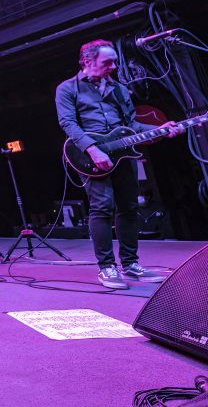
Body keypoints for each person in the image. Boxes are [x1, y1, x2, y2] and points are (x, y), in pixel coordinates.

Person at [55, 39, 182, 289]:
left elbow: (131, 125)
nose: (114, 66)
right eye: (107, 62)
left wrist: (161, 129)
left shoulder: (119, 89)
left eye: (114, 61)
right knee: (102, 207)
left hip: (123, 153)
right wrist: (92, 150)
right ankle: (107, 268)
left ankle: (131, 264)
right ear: (87, 61)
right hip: (90, 155)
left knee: (129, 207)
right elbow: (68, 123)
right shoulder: (68, 88)